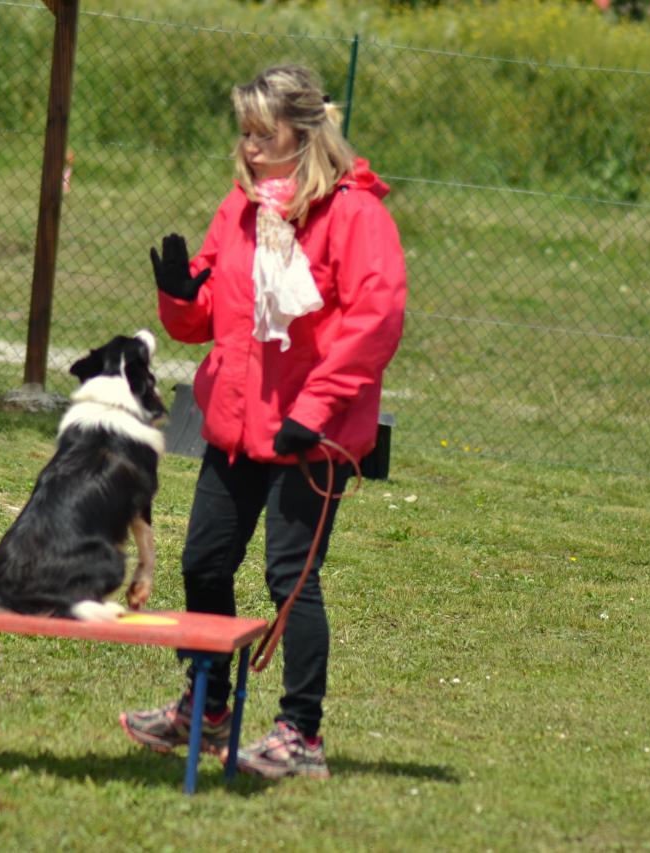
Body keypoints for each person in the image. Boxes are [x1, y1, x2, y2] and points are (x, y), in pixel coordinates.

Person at [118, 64, 407, 779]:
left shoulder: (356, 215)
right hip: (237, 426)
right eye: (243, 133)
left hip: (311, 434)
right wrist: (180, 297)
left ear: (304, 134)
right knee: (203, 562)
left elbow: (375, 321)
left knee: (290, 581)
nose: (247, 148)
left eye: (261, 133)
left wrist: (312, 413)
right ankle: (207, 707)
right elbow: (209, 315)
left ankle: (299, 734)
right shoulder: (243, 209)